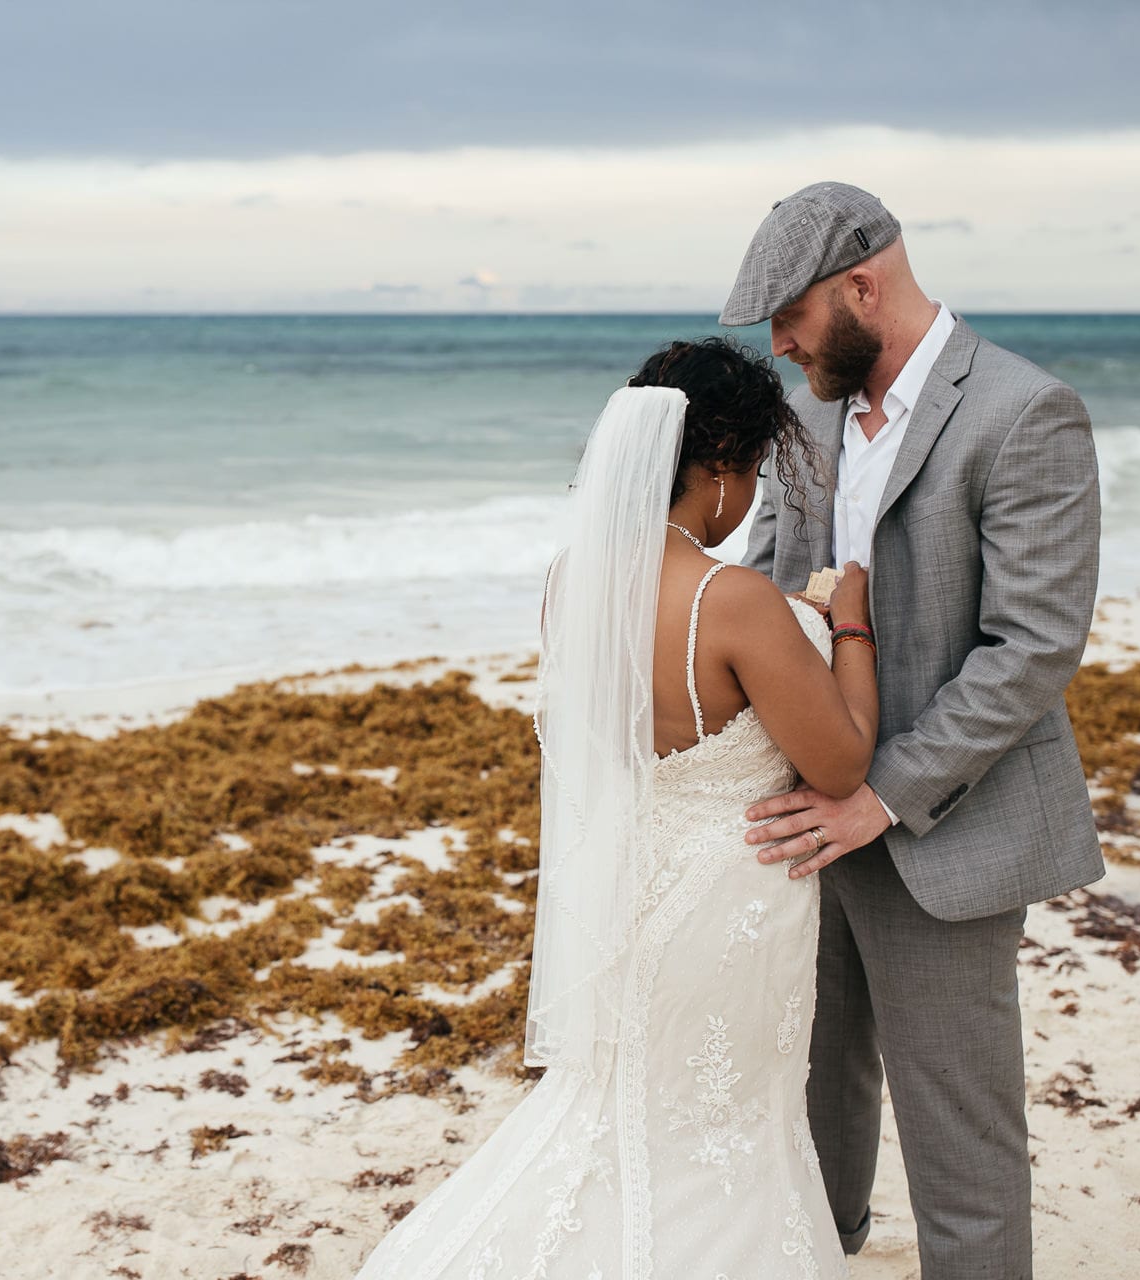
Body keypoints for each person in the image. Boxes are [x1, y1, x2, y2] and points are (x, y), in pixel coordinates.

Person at [354, 337, 876, 1279]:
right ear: (716, 470)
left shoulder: (573, 583)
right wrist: (847, 620)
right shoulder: (736, 598)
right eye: (752, 472)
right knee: (729, 1126)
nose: (751, 498)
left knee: (623, 1115)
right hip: (727, 907)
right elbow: (840, 763)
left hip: (628, 893)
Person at [725, 181, 1105, 1279]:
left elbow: (1032, 646)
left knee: (962, 1142)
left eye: (791, 319)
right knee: (810, 1097)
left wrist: (876, 793)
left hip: (952, 830)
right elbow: (764, 588)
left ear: (862, 284)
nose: (783, 345)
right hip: (804, 818)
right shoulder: (805, 416)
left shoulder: (1025, 411)